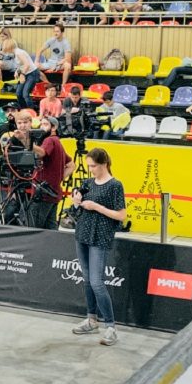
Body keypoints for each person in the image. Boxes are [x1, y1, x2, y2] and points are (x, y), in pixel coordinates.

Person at [69, 147, 126, 347]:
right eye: (89, 166)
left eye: (93, 166)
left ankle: (111, 326)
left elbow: (121, 215)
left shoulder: (115, 185)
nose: (91, 170)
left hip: (100, 237)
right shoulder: (87, 183)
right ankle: (92, 318)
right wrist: (76, 203)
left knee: (97, 282)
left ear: (104, 164)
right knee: (86, 279)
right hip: (82, 234)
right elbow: (74, 213)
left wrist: (97, 207)